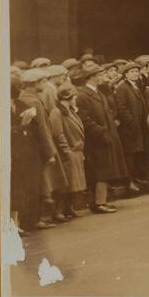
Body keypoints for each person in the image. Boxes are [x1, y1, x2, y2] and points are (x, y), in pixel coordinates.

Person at [77, 64, 131, 214]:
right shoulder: (82, 95)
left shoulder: (98, 92)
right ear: (92, 77)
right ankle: (98, 203)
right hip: (96, 140)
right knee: (100, 171)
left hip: (106, 136)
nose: (102, 77)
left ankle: (101, 201)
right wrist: (100, 131)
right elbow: (85, 119)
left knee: (106, 170)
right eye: (99, 75)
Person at [18, 68, 69, 226]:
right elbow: (42, 129)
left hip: (32, 148)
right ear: (34, 84)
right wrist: (50, 152)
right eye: (43, 81)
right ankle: (38, 219)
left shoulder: (26, 98)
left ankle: (36, 218)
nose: (45, 84)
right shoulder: (33, 101)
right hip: (39, 150)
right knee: (42, 184)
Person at [10, 75, 44, 233]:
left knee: (22, 188)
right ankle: (12, 225)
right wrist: (21, 127)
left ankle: (18, 223)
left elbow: (36, 128)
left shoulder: (20, 104)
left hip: (25, 152)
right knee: (14, 189)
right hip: (12, 152)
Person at [49, 83, 86, 220]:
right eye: (74, 95)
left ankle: (68, 209)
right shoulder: (57, 112)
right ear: (69, 96)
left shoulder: (70, 110)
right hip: (68, 153)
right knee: (65, 183)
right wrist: (67, 150)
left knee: (72, 183)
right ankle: (58, 211)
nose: (75, 98)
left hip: (76, 150)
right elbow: (58, 133)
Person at [115, 62, 149, 185]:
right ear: (126, 74)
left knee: (138, 152)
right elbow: (121, 107)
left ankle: (138, 177)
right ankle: (129, 180)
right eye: (132, 72)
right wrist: (131, 121)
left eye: (137, 71)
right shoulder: (122, 87)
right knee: (130, 153)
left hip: (139, 125)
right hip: (130, 127)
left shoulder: (136, 86)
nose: (135, 73)